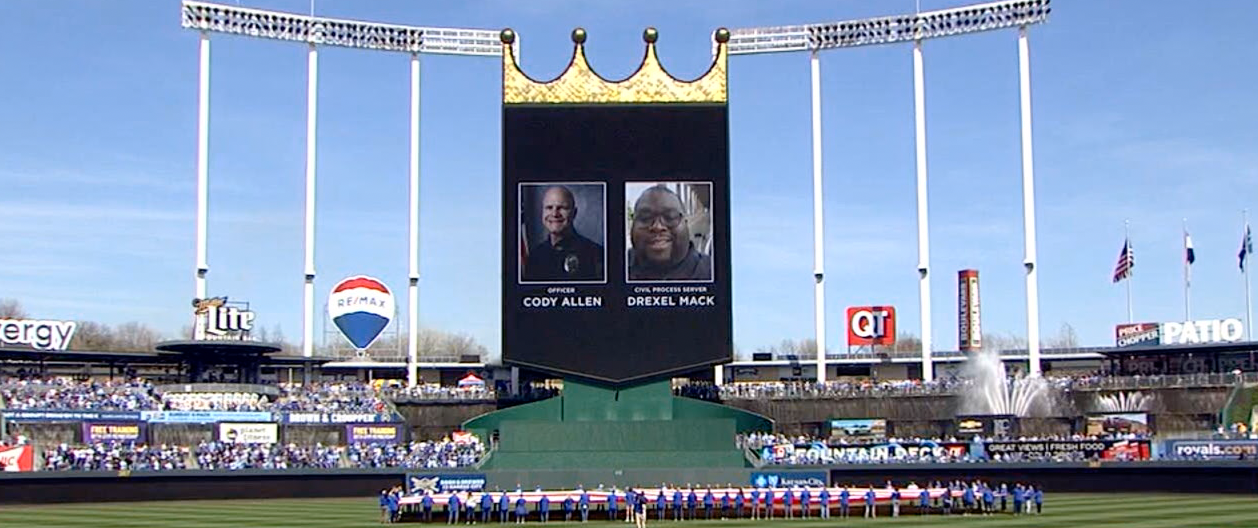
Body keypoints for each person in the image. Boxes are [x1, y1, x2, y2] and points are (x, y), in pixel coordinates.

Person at [628, 185, 712, 281]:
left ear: (685, 223)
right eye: (645, 218)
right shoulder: (613, 267)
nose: (657, 227)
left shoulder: (713, 272)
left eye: (670, 217)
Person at [523, 185, 604, 282]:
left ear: (574, 213)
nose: (554, 214)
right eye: (549, 207)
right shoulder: (534, 257)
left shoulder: (595, 254)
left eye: (562, 208)